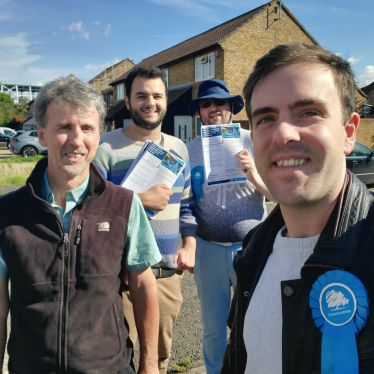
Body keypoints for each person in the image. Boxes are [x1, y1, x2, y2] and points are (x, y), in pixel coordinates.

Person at [221, 43, 374, 374]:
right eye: (266, 118)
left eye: (309, 112)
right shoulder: (255, 248)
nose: (283, 134)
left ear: (349, 133)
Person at [0, 75, 161, 374]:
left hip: (109, 367)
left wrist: (149, 366)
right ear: (42, 135)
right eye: (64, 127)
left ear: (99, 136)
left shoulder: (124, 206)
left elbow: (143, 286)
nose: (76, 140)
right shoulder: (7, 212)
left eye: (87, 128)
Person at [94, 66, 197, 374]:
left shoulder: (178, 148)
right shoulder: (104, 148)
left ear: (166, 100)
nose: (150, 103)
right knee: (114, 362)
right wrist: (138, 201)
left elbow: (188, 205)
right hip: (117, 280)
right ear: (128, 102)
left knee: (157, 363)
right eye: (141, 96)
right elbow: (89, 210)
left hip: (165, 277)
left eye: (156, 95)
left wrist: (190, 244)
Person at [187, 79, 274, 374]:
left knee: (254, 322)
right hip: (207, 250)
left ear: (231, 107)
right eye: (206, 103)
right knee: (213, 328)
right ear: (200, 110)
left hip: (250, 248)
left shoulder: (254, 141)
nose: (213, 108)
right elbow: (184, 201)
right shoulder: (191, 150)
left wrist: (253, 174)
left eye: (219, 102)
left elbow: (275, 194)